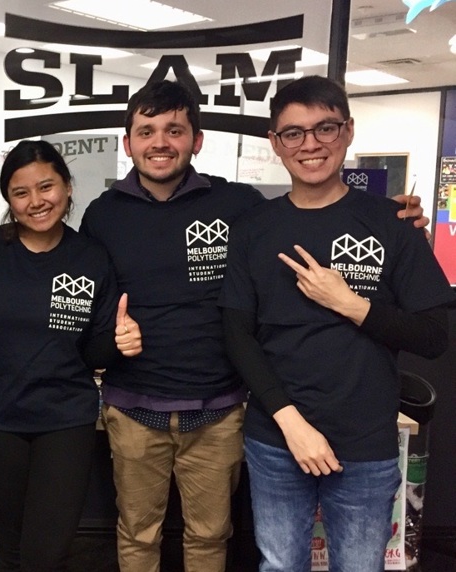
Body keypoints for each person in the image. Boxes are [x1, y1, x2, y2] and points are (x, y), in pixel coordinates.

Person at [78, 80, 430, 572]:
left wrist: (399, 217)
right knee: (137, 535)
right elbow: (91, 312)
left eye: (174, 129)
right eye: (146, 131)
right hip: (134, 407)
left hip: (219, 410)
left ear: (196, 140)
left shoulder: (240, 207)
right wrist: (111, 343)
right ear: (128, 142)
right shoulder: (101, 215)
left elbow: (314, 210)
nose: (160, 142)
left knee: (210, 537)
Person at [219, 75, 455, 572]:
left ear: (347, 132)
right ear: (275, 143)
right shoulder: (254, 229)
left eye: (325, 128)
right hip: (276, 437)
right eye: (294, 133)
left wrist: (353, 305)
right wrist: (291, 422)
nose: (310, 144)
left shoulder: (391, 224)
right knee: (280, 565)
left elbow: (434, 337)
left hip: (365, 442)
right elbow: (238, 336)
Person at [0, 140, 143, 571]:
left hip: (64, 420)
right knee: (11, 549)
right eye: (20, 192)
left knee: (47, 553)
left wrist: (121, 343)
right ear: (9, 199)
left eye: (46, 186)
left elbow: (93, 353)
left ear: (67, 187)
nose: (36, 202)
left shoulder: (90, 257)